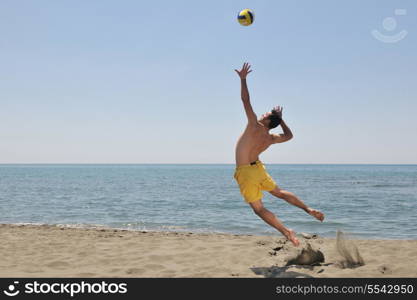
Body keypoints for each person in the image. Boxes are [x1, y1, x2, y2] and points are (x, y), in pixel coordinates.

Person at [233, 62, 324, 246]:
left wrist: (243, 80)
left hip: (246, 171)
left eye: (265, 114)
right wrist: (281, 121)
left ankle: (287, 231)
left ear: (266, 119)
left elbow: (245, 100)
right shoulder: (270, 137)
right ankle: (307, 209)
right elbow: (289, 136)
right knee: (279, 192)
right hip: (259, 169)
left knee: (258, 209)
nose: (261, 114)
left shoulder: (254, 126)